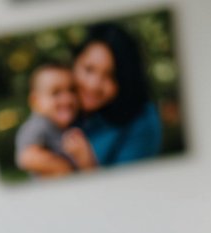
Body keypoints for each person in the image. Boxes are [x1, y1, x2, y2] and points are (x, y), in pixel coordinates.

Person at [68, 22, 163, 169]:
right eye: (88, 69)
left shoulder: (142, 121)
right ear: (74, 63)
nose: (94, 85)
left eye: (110, 76)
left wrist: (88, 165)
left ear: (126, 80)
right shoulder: (64, 105)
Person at [15, 61, 82, 177]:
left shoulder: (72, 125)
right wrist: (64, 168)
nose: (67, 99)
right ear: (35, 102)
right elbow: (27, 158)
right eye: (56, 93)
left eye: (72, 90)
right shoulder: (38, 124)